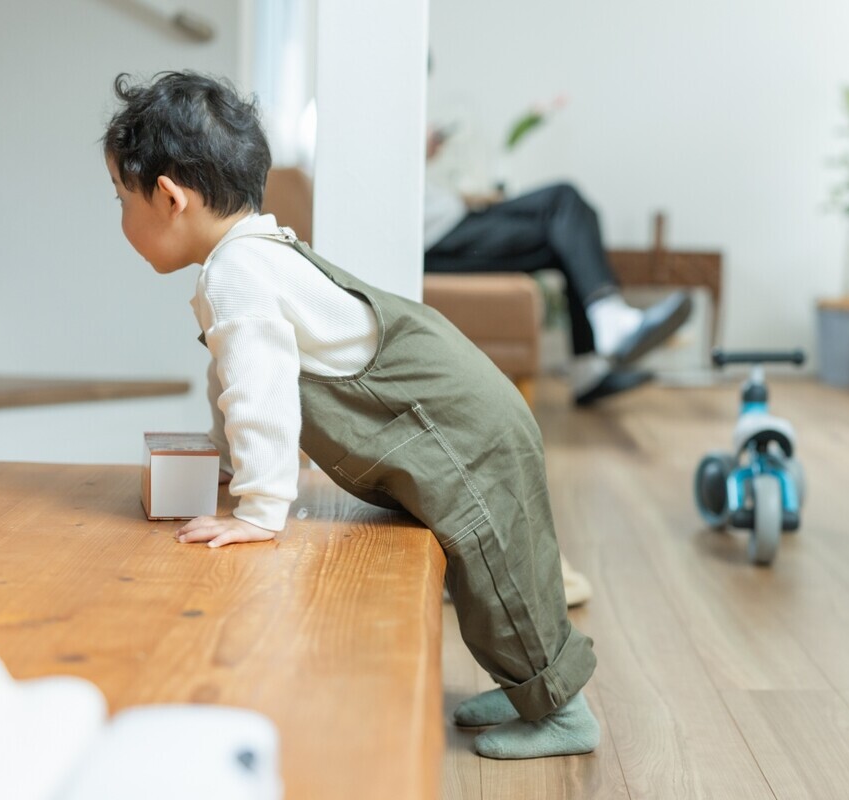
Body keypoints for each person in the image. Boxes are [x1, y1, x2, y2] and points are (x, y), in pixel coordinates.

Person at [103, 71, 599, 760]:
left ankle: (560, 713)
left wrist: (258, 508)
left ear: (169, 196)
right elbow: (233, 381)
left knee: (501, 574)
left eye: (120, 199)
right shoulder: (249, 258)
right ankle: (527, 688)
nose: (119, 218)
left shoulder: (239, 273)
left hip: (461, 430)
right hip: (449, 419)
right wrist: (221, 464)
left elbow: (261, 392)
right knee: (490, 577)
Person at [423, 133, 693, 405]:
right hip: (437, 240)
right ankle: (601, 345)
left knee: (566, 200)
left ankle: (602, 339)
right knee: (565, 235)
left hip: (456, 215)